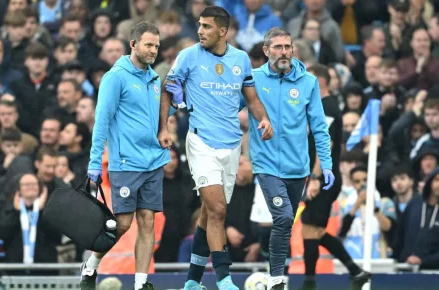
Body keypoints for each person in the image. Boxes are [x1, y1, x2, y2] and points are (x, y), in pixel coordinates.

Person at [158, 6, 273, 290]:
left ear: (223, 31)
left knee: (210, 214)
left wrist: (264, 120)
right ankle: (223, 277)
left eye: (207, 26)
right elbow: (168, 88)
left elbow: (252, 98)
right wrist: (164, 125)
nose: (200, 31)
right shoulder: (188, 56)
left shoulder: (240, 59)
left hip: (232, 145)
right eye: (199, 25)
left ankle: (192, 281)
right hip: (201, 142)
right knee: (219, 210)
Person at [83, 21, 175, 290]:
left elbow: (154, 115)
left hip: (153, 161)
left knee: (148, 222)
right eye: (148, 44)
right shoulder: (115, 77)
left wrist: (164, 128)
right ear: (133, 44)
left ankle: (141, 283)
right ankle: (91, 266)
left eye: (156, 46)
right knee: (122, 225)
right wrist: (94, 162)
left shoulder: (154, 78)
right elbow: (101, 122)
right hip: (126, 162)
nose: (153, 50)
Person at [248, 27, 335, 290]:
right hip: (266, 164)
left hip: (299, 168)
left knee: (284, 224)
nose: (284, 52)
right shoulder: (252, 80)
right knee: (284, 216)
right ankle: (276, 279)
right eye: (278, 47)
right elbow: (229, 109)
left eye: (287, 47)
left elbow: (319, 126)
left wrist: (327, 165)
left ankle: (276, 276)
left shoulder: (308, 82)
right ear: (266, 51)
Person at [300, 64, 370, 289]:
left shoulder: (327, 107)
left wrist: (316, 178)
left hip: (324, 178)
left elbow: (326, 144)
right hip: (320, 176)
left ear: (319, 81)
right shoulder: (319, 106)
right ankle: (352, 272)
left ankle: (319, 280)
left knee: (312, 229)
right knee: (311, 230)